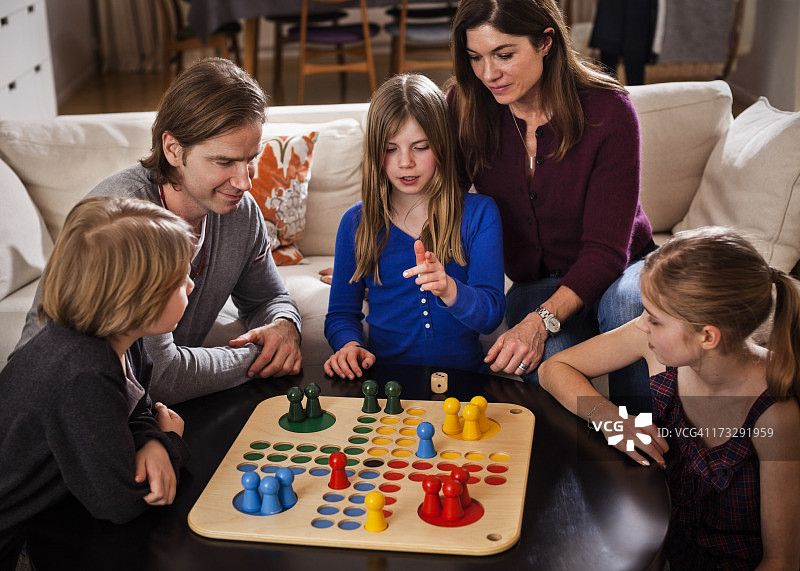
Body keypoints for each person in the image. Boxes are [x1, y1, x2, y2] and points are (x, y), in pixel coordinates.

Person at [12, 57, 302, 405]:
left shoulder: (241, 212)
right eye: (224, 162)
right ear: (173, 149)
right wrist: (259, 358)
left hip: (141, 412)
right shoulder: (126, 224)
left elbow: (268, 298)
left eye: (251, 158)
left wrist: (285, 327)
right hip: (60, 414)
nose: (245, 181)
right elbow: (161, 376)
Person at [539, 227, 800, 570]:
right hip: (660, 545)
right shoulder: (653, 345)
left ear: (707, 336)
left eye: (655, 320)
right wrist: (610, 419)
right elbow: (554, 368)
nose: (642, 325)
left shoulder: (775, 415)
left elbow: (781, 560)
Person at [446, 0, 656, 413]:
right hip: (537, 283)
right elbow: (442, 200)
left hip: (623, 268)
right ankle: (603, 449)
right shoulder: (466, 106)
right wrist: (382, 248)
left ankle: (648, 456)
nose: (489, 73)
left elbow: (606, 252)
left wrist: (538, 322)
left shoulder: (609, 111)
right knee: (552, 361)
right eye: (476, 57)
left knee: (625, 306)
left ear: (546, 42)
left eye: (504, 55)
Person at [0, 197, 194, 571]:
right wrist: (172, 442)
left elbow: (135, 409)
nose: (192, 282)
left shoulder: (118, 339)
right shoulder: (83, 373)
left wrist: (151, 439)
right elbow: (119, 503)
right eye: (180, 279)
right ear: (139, 299)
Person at [323, 73, 505, 379]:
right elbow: (341, 314)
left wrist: (449, 289)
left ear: (442, 146)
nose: (405, 162)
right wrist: (349, 345)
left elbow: (490, 316)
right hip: (383, 388)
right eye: (391, 149)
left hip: (465, 385)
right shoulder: (356, 223)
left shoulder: (480, 214)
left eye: (420, 147)